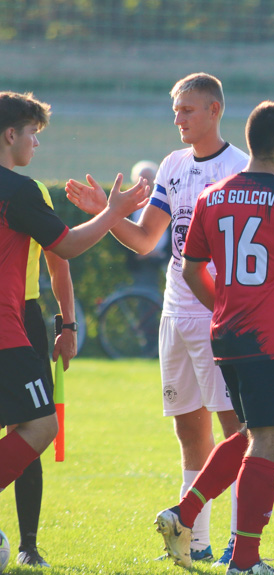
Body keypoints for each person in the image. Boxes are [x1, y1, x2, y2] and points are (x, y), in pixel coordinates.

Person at [66, 73, 247, 565]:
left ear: (214, 110)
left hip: (217, 318)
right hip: (174, 314)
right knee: (191, 433)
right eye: (175, 110)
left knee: (237, 433)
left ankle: (240, 539)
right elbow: (147, 240)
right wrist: (106, 213)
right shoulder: (172, 164)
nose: (178, 119)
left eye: (187, 110)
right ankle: (196, 539)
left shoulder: (240, 167)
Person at [154, 101, 274, 575]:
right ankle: (245, 562)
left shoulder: (212, 196)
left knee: (250, 433)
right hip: (268, 341)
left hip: (225, 336)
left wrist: (223, 307)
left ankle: (183, 514)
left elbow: (190, 269)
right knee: (271, 441)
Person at [0, 91, 148, 496]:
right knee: (42, 425)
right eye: (33, 133)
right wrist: (113, 212)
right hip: (5, 333)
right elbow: (66, 246)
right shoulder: (18, 190)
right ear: (11, 134)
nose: (37, 142)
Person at [9, 178, 79, 568]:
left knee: (29, 432)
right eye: (31, 132)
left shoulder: (31, 190)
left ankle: (28, 546)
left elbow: (58, 260)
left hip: (24, 316)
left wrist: (67, 326)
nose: (36, 141)